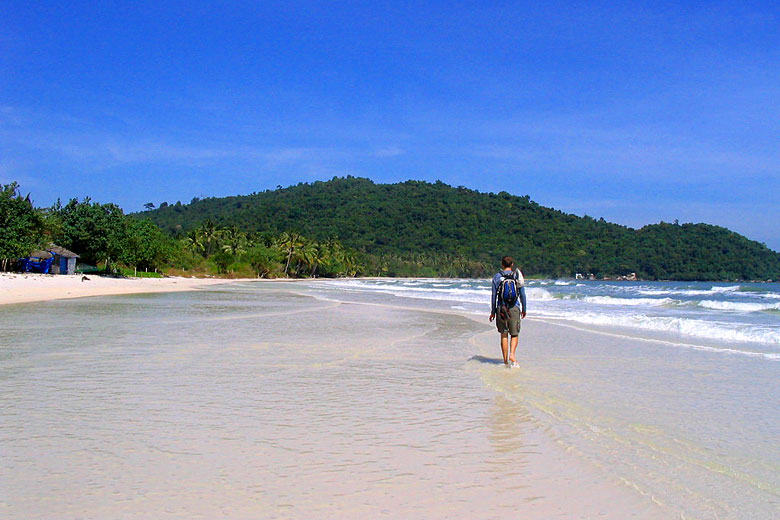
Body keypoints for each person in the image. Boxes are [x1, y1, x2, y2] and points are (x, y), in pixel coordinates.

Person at [489, 256, 527, 366]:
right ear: (512, 265)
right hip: (514, 307)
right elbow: (522, 294)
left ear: (502, 265)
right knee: (514, 334)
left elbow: (494, 296)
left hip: (501, 308)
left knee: (504, 334)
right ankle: (512, 355)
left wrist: (493, 311)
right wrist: (524, 308)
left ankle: (505, 361)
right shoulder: (517, 275)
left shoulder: (497, 277)